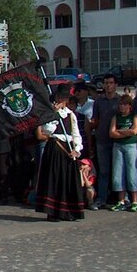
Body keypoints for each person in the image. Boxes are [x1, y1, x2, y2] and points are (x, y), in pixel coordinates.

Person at [34, 85, 84, 221]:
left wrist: (77, 150)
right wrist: (53, 114)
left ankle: (68, 211)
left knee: (67, 181)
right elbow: (47, 131)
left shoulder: (71, 114)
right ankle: (53, 212)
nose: (61, 100)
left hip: (68, 150)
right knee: (54, 180)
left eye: (64, 98)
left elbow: (76, 134)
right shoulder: (49, 113)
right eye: (60, 97)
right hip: (55, 148)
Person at [90, 74, 120, 209]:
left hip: (118, 139)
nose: (108, 85)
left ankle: (118, 197)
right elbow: (95, 120)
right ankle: (102, 198)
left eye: (111, 82)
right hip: (102, 139)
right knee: (103, 171)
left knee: (118, 170)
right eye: (106, 83)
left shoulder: (120, 100)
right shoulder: (99, 101)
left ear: (115, 85)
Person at [109, 94, 137, 212]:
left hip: (131, 146)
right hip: (118, 146)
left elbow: (134, 131)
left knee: (132, 172)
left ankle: (134, 201)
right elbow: (111, 133)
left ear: (129, 106)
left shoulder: (134, 116)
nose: (122, 107)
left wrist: (120, 131)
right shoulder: (116, 117)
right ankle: (121, 200)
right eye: (121, 104)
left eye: (124, 104)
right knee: (118, 173)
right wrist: (126, 132)